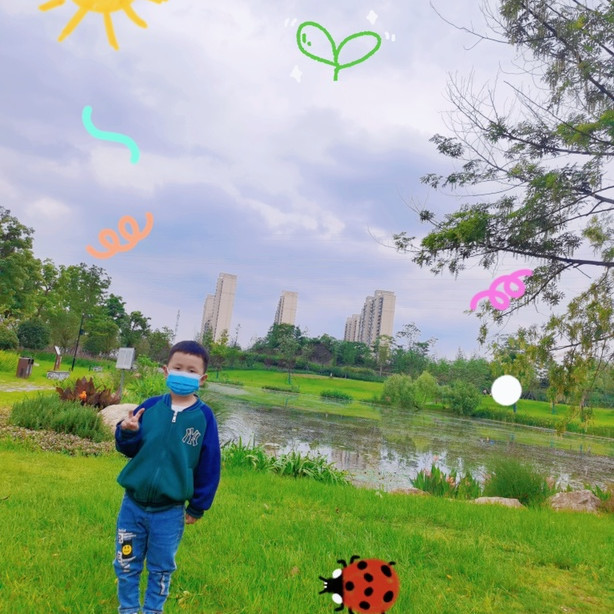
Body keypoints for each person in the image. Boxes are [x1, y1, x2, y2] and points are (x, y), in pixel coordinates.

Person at [113, 340, 221, 614]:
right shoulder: (150, 407)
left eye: (191, 370)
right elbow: (128, 448)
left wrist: (198, 506)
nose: (183, 374)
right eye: (178, 368)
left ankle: (153, 610)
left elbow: (209, 464)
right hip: (132, 506)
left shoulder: (204, 417)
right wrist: (127, 431)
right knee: (126, 561)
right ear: (166, 371)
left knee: (161, 568)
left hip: (169, 513)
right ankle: (128, 609)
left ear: (202, 378)